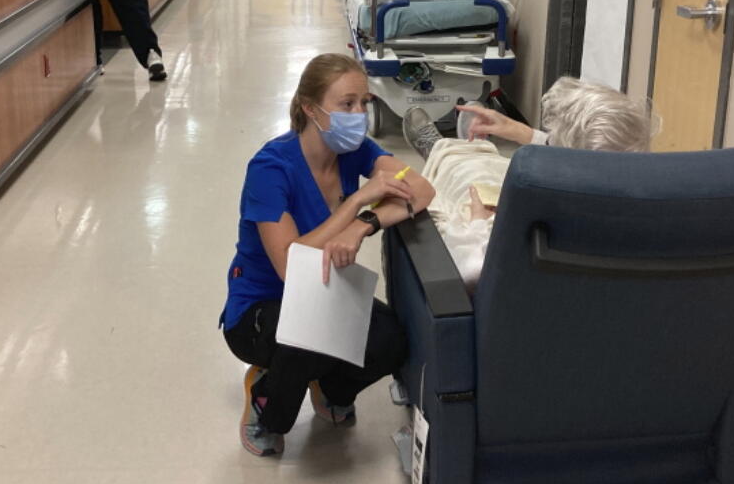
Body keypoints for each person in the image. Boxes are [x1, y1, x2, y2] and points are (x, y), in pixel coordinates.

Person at [222, 53, 436, 457]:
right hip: (261, 306)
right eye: (347, 104)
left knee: (392, 338)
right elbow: (289, 265)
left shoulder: (354, 151)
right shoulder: (270, 169)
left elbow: (421, 189)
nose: (359, 114)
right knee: (309, 338)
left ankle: (331, 388)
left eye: (364, 103)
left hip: (324, 288)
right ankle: (265, 400)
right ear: (310, 108)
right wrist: (356, 201)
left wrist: (363, 225)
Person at [402, 77, 657, 289]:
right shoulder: (653, 222)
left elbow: (469, 273)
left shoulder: (530, 236)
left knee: (470, 179)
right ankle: (470, 148)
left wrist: (478, 224)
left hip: (515, 326)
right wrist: (520, 131)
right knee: (494, 168)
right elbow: (584, 157)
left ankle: (441, 149)